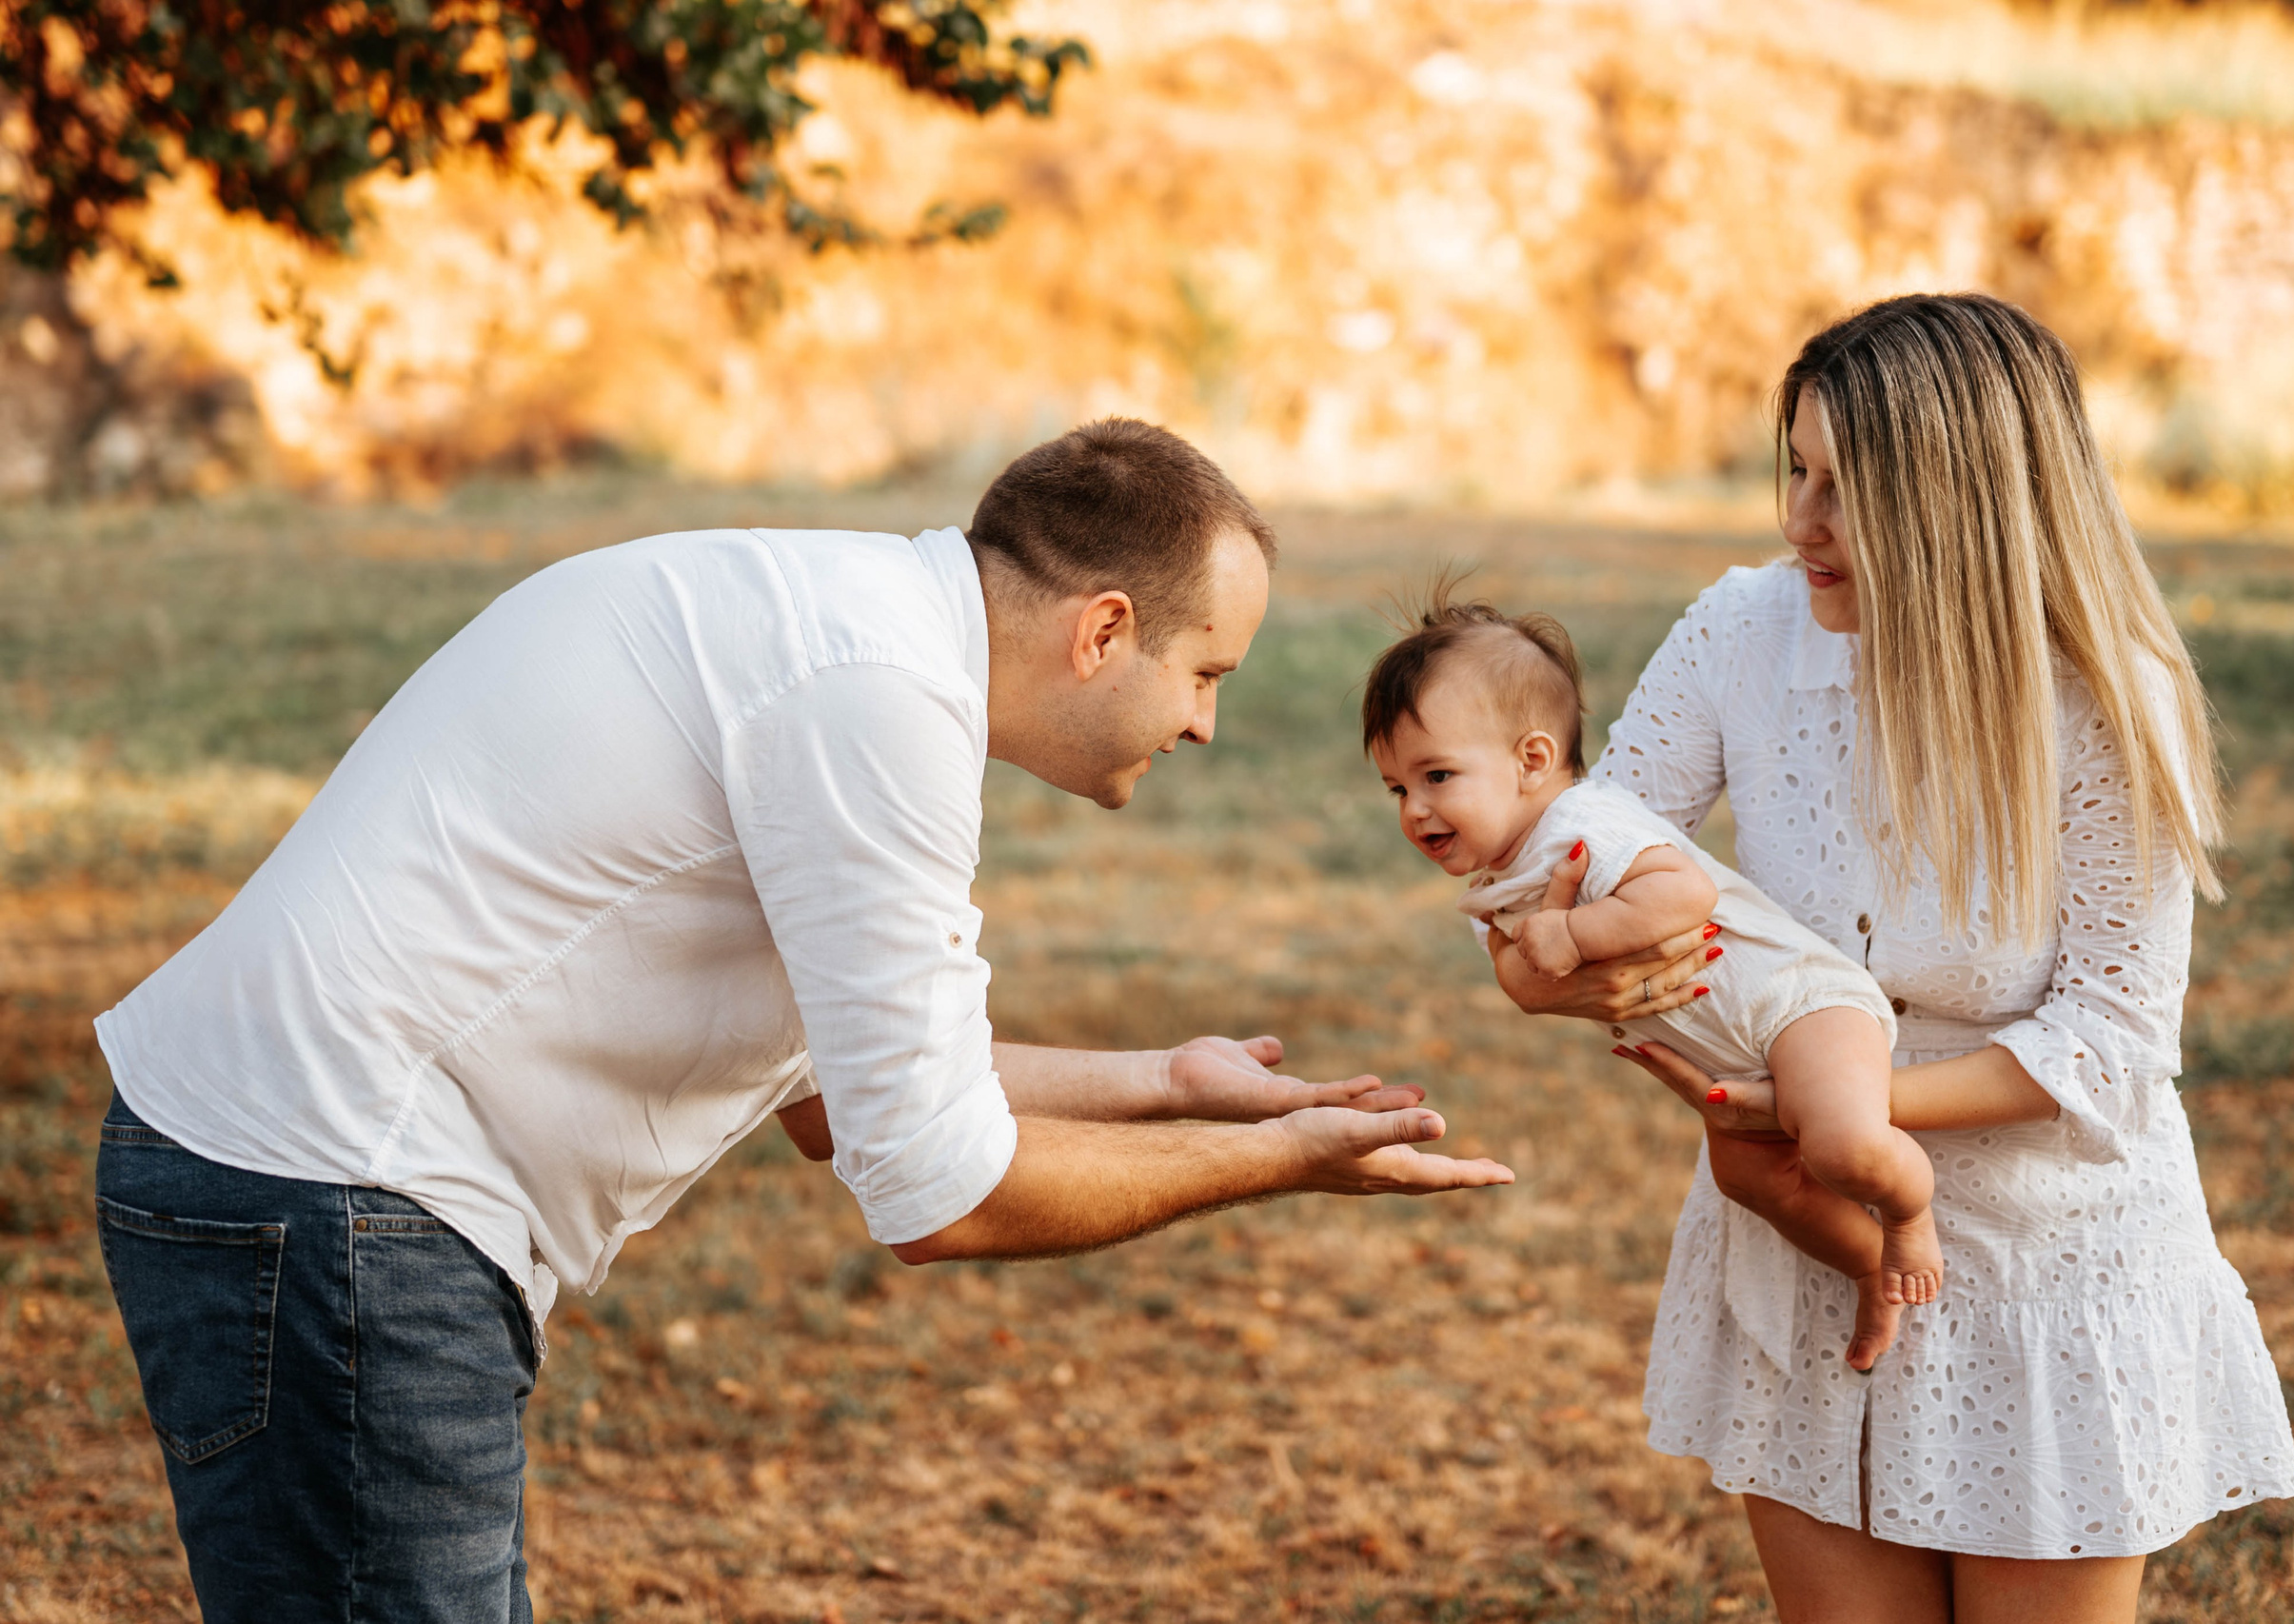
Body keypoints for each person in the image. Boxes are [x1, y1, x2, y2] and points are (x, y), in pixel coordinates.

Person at [92, 418, 1513, 1624]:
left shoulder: (852, 635)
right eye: (1207, 672)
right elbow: (934, 1186)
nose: (1202, 723)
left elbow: (841, 1093)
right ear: (1103, 631)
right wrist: (1288, 1157)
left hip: (299, 1184)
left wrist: (1175, 1083)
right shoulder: (876, 701)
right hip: (332, 1196)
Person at [1488, 295, 2294, 1623]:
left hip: (2046, 1264)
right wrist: (1542, 959)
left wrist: (1836, 1106)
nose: (1798, 523)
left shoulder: (2104, 691)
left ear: (1959, 509)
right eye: (1794, 471)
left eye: (1843, 490)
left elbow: (2112, 1034)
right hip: (1801, 1238)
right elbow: (1593, 844)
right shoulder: (1741, 633)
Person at [1360, 584, 1939, 1373]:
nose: (1414, 810)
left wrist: (1572, 931)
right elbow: (1518, 970)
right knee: (1749, 1178)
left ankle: (1907, 1213)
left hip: (1803, 1005)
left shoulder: (1584, 824)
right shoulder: (1503, 873)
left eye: (1436, 776)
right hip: (1737, 1056)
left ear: (1532, 759)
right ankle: (1869, 1264)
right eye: (1397, 787)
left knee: (1841, 1146)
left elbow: (1682, 895)